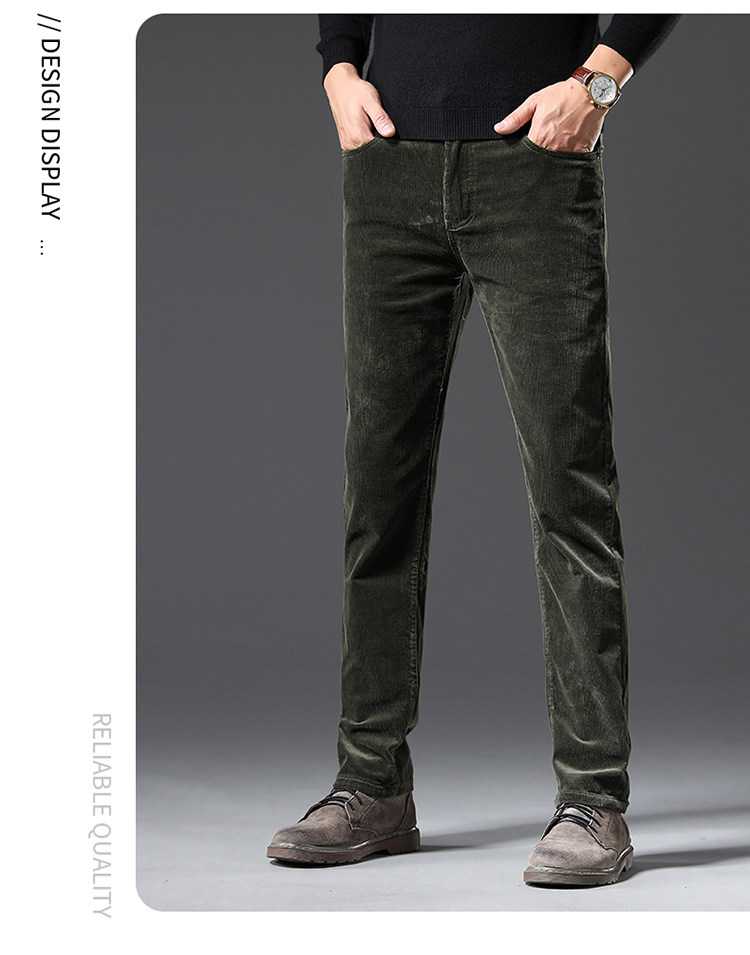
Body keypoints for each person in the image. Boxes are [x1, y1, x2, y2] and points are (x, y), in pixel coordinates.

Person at [267, 13, 681, 887]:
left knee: (570, 487)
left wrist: (598, 83)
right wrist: (339, 68)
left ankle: (593, 799)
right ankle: (372, 783)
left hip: (533, 163)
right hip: (388, 165)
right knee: (378, 489)